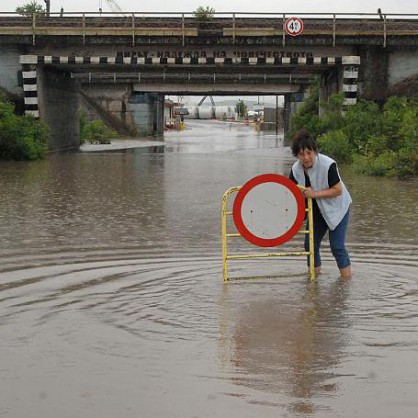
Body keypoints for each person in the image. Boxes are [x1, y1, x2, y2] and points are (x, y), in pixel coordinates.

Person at [289, 130, 352, 278]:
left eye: (309, 153)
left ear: (315, 151)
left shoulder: (328, 164)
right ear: (297, 155)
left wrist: (314, 194)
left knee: (337, 246)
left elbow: (338, 190)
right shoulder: (295, 169)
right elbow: (290, 192)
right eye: (301, 154)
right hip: (315, 210)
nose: (306, 158)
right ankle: (314, 280)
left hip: (337, 208)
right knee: (310, 245)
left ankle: (346, 282)